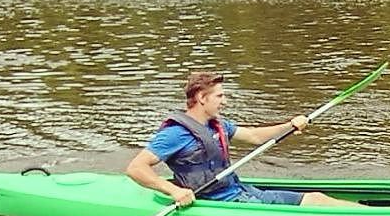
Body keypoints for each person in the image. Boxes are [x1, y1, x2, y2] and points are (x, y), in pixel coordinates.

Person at [126, 71, 357, 208]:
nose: (224, 101)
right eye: (220, 96)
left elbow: (254, 136)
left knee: (315, 198)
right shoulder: (175, 134)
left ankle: (373, 214)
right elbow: (136, 168)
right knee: (315, 204)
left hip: (240, 192)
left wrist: (289, 125)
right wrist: (173, 191)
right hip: (220, 203)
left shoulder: (217, 125)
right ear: (201, 98)